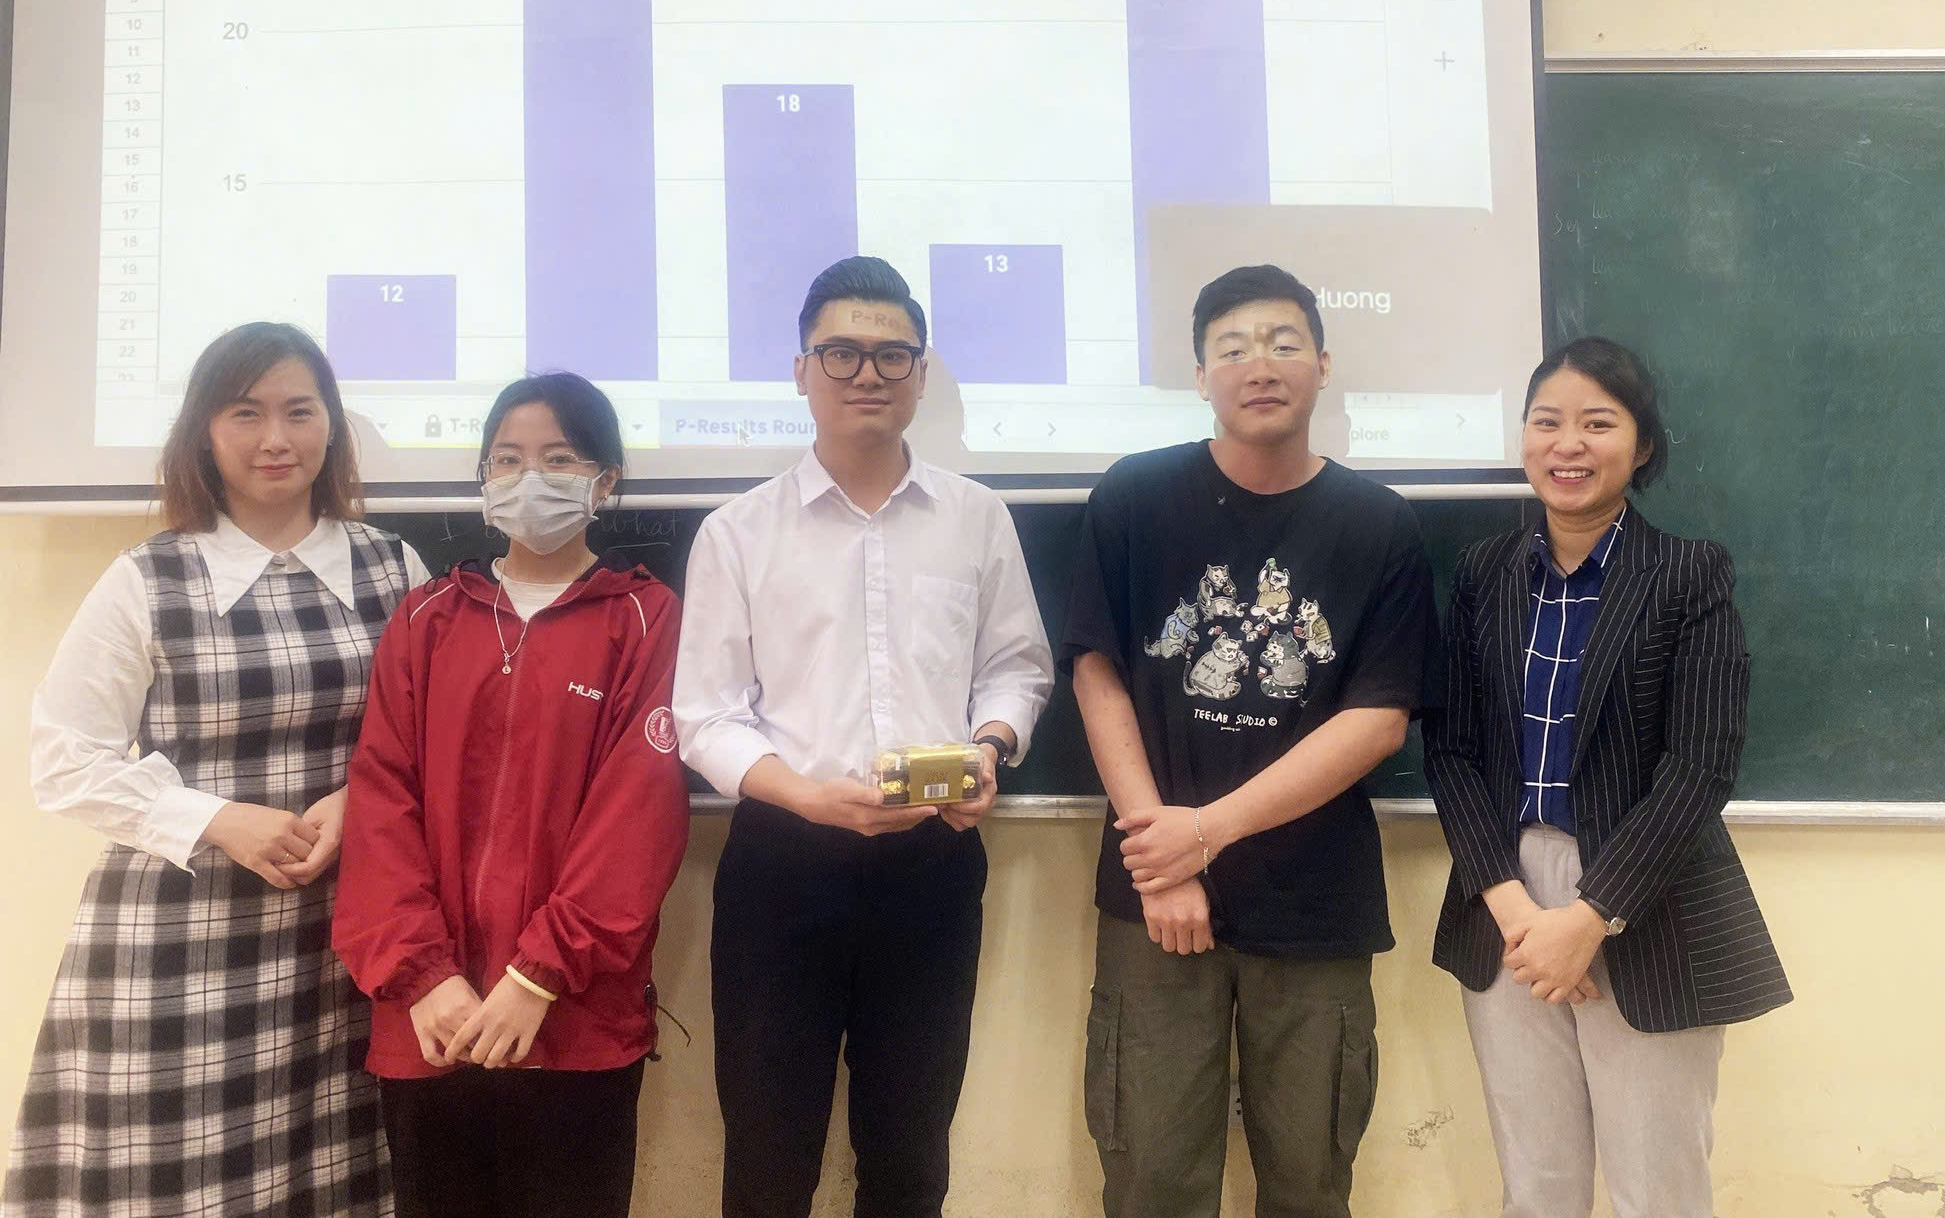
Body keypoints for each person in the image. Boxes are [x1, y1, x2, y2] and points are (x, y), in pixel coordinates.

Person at [5, 321, 430, 1216]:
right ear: (204, 431)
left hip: (345, 935)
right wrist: (217, 820)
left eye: (299, 411)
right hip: (179, 942)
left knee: (331, 1170)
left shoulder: (395, 569)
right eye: (246, 413)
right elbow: (63, 757)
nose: (275, 437)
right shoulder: (148, 577)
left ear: (331, 426)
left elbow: (434, 737)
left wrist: (359, 799)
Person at [671, 256, 1053, 1218]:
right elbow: (705, 713)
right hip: (782, 866)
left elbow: (1017, 667)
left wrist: (990, 747)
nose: (867, 373)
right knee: (768, 1152)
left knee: (911, 1151)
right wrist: (805, 796)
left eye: (892, 355)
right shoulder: (738, 532)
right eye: (840, 353)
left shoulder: (977, 517)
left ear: (921, 373)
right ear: (801, 370)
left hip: (933, 863)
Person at [1064, 264, 1438, 1218]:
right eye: (1232, 348)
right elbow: (1097, 672)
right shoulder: (1135, 498)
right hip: (1154, 895)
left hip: (1313, 902)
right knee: (1151, 1182)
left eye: (1282, 343)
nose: (1259, 365)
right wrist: (1164, 861)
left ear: (1323, 364)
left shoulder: (1380, 525)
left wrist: (1206, 832)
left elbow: (1379, 717)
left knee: (1310, 1184)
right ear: (1201, 376)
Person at [1421, 337, 1792, 1218]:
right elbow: (1452, 752)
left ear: (1642, 444)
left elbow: (1700, 768)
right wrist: (1519, 913)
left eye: (1598, 423)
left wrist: (1588, 920)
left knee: (1656, 1189)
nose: (1568, 445)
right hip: (1504, 896)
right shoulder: (1483, 573)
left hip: (1643, 896)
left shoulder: (1689, 574)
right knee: (1537, 1185)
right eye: (1546, 421)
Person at [332, 373, 688, 1218]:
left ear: (605, 481)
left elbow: (637, 818)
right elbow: (380, 802)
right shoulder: (425, 618)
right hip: (433, 1022)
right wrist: (424, 977)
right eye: (507, 459)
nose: (530, 478)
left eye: (559, 459)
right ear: (484, 478)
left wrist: (537, 978)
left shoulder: (645, 618)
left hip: (572, 1021)